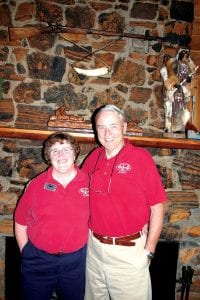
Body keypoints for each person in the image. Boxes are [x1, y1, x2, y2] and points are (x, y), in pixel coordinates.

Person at [81, 104, 167, 300]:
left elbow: (158, 206)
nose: (107, 132)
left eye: (113, 126)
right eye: (101, 127)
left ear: (124, 127)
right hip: (94, 250)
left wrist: (150, 250)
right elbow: (79, 192)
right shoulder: (94, 157)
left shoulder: (141, 158)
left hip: (128, 254)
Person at [14, 132, 89, 300]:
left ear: (75, 153)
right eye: (55, 150)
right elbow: (20, 221)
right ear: (48, 155)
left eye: (66, 149)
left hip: (75, 262)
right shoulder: (35, 185)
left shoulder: (89, 182)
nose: (61, 155)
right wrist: (25, 251)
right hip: (38, 260)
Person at [160, 49, 198, 133]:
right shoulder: (174, 64)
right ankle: (169, 127)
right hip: (174, 90)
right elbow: (168, 75)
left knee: (182, 109)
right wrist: (173, 84)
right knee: (170, 108)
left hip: (183, 91)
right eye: (183, 56)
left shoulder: (188, 66)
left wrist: (189, 79)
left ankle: (179, 128)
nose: (185, 58)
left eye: (186, 56)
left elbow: (190, 81)